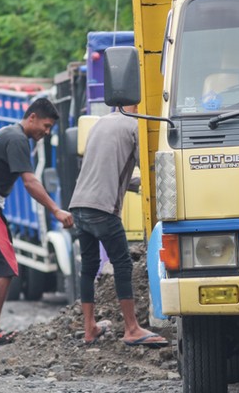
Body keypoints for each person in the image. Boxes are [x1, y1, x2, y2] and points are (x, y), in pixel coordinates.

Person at [0, 97, 73, 349]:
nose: (46, 132)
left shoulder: (8, 132)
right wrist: (55, 209)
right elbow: (30, 182)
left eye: (49, 129)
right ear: (31, 117)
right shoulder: (17, 139)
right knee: (5, 268)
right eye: (45, 126)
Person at [69, 105, 168, 348]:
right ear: (137, 105)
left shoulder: (100, 123)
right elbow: (147, 167)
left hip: (79, 205)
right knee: (123, 263)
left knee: (89, 266)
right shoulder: (134, 126)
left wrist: (134, 184)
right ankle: (132, 328)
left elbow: (109, 172)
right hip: (103, 209)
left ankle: (90, 327)